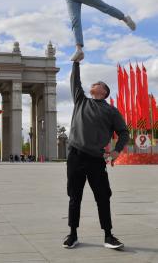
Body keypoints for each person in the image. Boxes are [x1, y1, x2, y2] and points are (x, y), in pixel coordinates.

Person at [63, 60, 129, 250]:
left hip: (96, 160)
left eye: (98, 83)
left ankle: (108, 235)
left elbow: (124, 132)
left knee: (102, 197)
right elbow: (75, 81)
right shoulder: (81, 101)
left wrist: (116, 151)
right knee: (74, 196)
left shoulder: (111, 111)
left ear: (104, 91)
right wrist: (76, 62)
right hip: (75, 156)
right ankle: (72, 234)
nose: (94, 84)